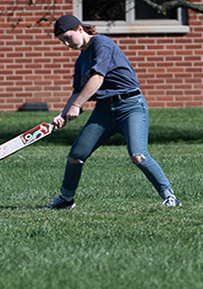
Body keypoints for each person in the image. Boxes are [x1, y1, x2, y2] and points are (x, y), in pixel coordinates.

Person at [44, 14, 179, 210]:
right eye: (62, 41)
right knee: (75, 156)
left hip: (131, 106)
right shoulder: (81, 60)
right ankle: (66, 200)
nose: (66, 44)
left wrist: (77, 106)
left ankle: (170, 197)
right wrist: (63, 114)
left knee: (138, 156)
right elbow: (77, 92)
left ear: (79, 29)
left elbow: (98, 78)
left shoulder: (102, 43)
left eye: (67, 37)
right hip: (104, 111)